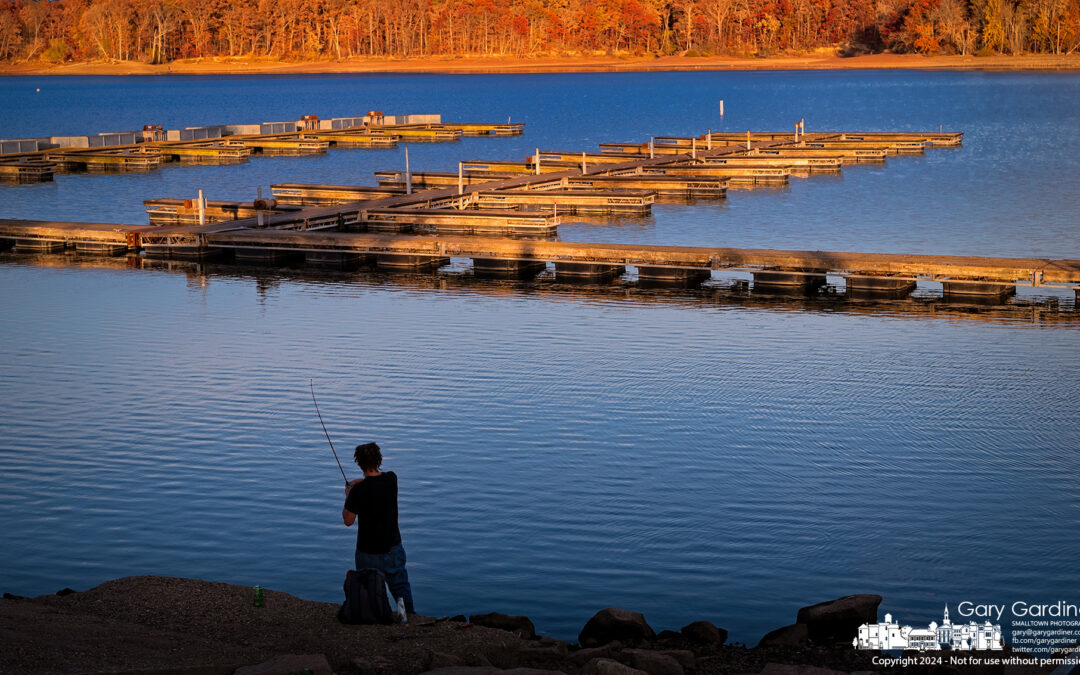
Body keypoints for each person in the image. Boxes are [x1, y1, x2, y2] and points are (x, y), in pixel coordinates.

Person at [342, 442, 415, 615]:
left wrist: (348, 495)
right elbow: (374, 482)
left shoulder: (358, 492)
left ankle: (372, 617)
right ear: (379, 460)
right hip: (393, 548)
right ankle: (408, 617)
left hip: (367, 552)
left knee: (368, 590)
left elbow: (348, 520)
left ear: (359, 463)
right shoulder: (391, 479)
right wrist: (357, 485)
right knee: (400, 586)